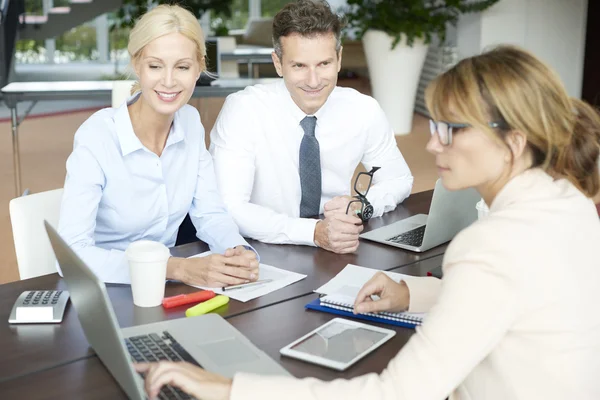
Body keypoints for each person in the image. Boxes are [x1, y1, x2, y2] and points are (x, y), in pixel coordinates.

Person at [135, 45, 600, 399]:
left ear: (514, 141)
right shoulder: (569, 203)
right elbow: (512, 293)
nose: (433, 146)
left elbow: (397, 393)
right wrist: (412, 291)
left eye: (451, 131)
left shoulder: (492, 245)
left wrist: (229, 388)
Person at [57, 5, 258, 287]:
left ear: (199, 66)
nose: (168, 81)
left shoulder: (190, 121)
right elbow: (70, 256)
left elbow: (210, 214)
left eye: (182, 67)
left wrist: (237, 252)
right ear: (136, 64)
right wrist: (175, 268)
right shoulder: (97, 136)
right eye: (155, 66)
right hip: (106, 290)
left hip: (164, 291)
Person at [209, 0, 413, 254]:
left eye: (324, 64)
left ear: (339, 59)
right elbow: (230, 207)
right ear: (277, 63)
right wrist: (313, 232)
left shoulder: (363, 109)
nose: (314, 81)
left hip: (338, 245)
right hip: (264, 249)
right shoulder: (243, 111)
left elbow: (399, 178)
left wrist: (362, 205)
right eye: (299, 66)